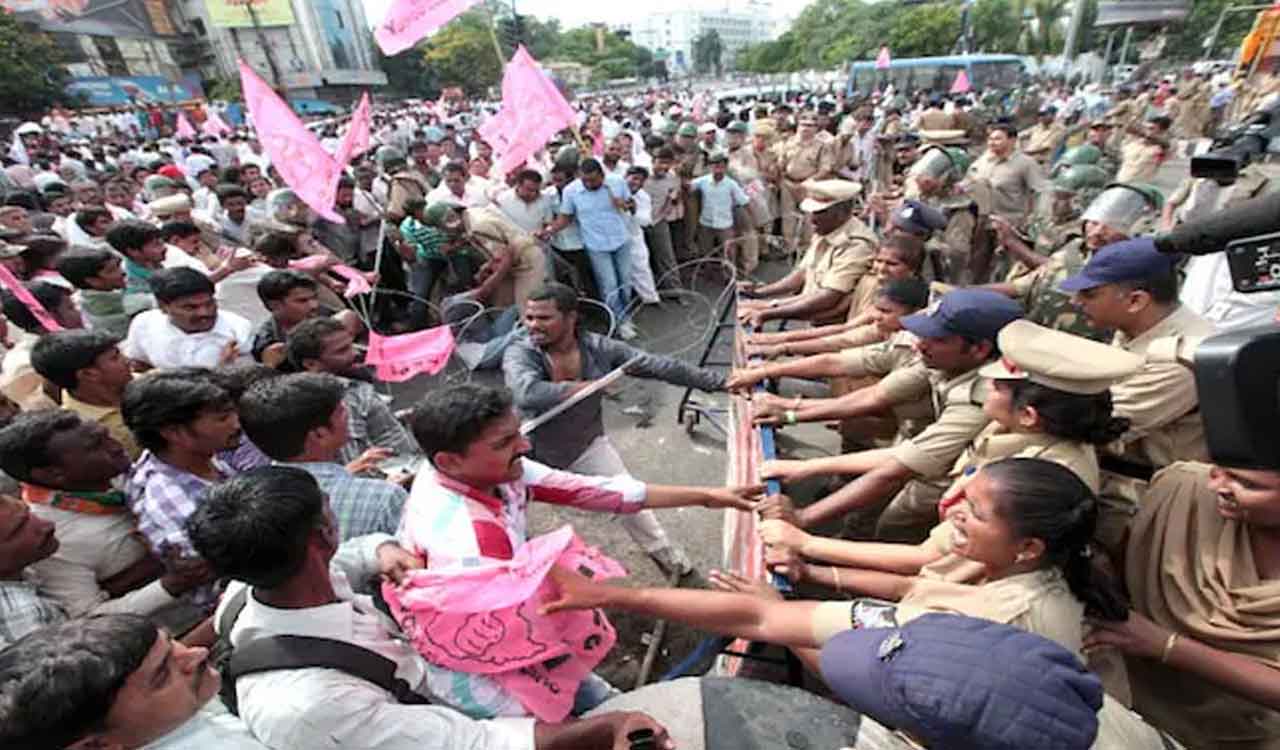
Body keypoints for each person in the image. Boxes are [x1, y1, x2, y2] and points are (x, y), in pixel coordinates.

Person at [186, 465, 675, 750]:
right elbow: (469, 744)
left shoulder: (254, 592)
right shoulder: (309, 705)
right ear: (322, 534)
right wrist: (601, 730)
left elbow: (348, 559)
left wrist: (380, 550)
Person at [547, 457, 1123, 660]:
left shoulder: (988, 622)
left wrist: (612, 595)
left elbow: (866, 664)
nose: (950, 513)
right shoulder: (1036, 576)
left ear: (1028, 546)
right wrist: (812, 569)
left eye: (972, 512)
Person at [751, 289, 1022, 541]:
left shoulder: (984, 395)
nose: (921, 345)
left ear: (980, 349)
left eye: (937, 339)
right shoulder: (945, 360)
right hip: (924, 455)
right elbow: (869, 392)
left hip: (965, 486)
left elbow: (899, 466)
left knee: (896, 527)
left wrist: (802, 516)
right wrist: (789, 413)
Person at [503, 283, 728, 576]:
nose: (533, 325)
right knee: (507, 521)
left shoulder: (598, 347)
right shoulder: (520, 351)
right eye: (529, 317)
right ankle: (520, 577)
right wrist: (587, 386)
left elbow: (655, 364)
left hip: (585, 444)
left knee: (629, 497)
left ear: (571, 318)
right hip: (526, 452)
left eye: (544, 318)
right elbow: (527, 392)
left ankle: (670, 559)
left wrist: (719, 382)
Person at [1086, 460, 1280, 750]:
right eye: (1219, 470)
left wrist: (1166, 645)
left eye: (1248, 484)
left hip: (1241, 736)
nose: (1218, 486)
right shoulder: (1183, 494)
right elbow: (1123, 558)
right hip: (1128, 708)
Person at [1059, 237, 1215, 551]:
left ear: (1135, 301)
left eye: (1090, 294)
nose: (1077, 302)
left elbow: (1093, 423)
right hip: (1119, 484)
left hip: (1148, 502)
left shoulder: (1179, 357)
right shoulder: (1135, 330)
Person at [0, 411, 209, 625]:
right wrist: (172, 584)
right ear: (53, 474)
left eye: (106, 436)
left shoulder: (123, 473)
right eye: (95, 446)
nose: (116, 446)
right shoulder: (46, 539)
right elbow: (88, 617)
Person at [0, 614, 283, 749]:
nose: (197, 653)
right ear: (97, 747)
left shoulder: (172, 725)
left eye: (173, 644)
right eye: (162, 675)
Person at [121, 370, 247, 608]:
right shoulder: (170, 501)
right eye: (222, 418)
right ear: (174, 433)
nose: (236, 423)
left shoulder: (196, 459)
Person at [239, 373, 407, 541]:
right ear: (320, 435)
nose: (348, 414)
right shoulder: (385, 498)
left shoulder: (246, 507)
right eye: (341, 411)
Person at [736, 180, 878, 328]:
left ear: (842, 212)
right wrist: (759, 292)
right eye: (811, 213)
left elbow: (828, 298)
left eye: (820, 213)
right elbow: (801, 274)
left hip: (832, 326)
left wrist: (766, 310)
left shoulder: (856, 245)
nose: (812, 219)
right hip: (810, 311)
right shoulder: (827, 230)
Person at [286, 316, 420, 465]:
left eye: (352, 345)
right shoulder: (337, 402)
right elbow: (356, 462)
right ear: (311, 364)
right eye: (342, 351)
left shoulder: (355, 387)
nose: (355, 353)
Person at [540, 159, 636, 335]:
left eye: (593, 180)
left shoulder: (616, 182)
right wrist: (549, 230)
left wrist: (625, 204)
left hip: (621, 239)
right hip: (596, 245)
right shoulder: (572, 191)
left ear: (602, 175)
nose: (589, 184)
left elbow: (632, 204)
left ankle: (628, 313)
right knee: (609, 285)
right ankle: (619, 321)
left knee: (626, 280)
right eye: (585, 181)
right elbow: (565, 218)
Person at [30, 329, 140, 459]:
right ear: (88, 374)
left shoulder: (144, 380)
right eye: (115, 358)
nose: (127, 360)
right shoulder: (81, 431)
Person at [122, 267, 253, 371]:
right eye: (190, 308)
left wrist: (226, 368)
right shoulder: (145, 324)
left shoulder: (238, 330)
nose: (204, 312)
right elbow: (139, 365)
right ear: (163, 307)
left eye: (209, 303)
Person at [0, 280, 83, 410]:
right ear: (50, 316)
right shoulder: (23, 364)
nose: (79, 313)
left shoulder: (78, 341)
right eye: (70, 308)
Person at [57, 245, 151, 338]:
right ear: (92, 280)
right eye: (111, 271)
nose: (122, 272)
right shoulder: (124, 304)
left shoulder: (84, 298)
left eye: (118, 266)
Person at [965, 124, 1046, 227]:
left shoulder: (1026, 163)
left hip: (1008, 222)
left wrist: (1034, 221)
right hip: (977, 218)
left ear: (1012, 141)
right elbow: (967, 181)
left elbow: (1040, 192)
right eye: (990, 139)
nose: (992, 143)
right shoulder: (982, 161)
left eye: (997, 139)